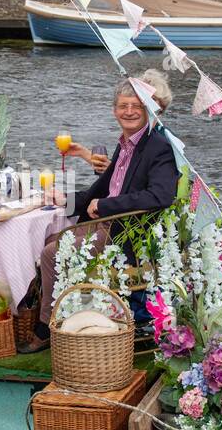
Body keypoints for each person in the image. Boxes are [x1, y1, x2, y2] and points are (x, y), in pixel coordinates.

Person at [19, 80, 181, 353]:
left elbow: (160, 196)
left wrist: (105, 206)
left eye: (136, 106)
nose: (129, 112)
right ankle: (61, 315)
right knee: (46, 237)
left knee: (51, 252)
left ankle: (46, 327)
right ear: (114, 110)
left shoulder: (158, 146)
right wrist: (64, 200)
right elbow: (99, 189)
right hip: (107, 223)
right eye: (122, 106)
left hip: (130, 231)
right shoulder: (126, 145)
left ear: (148, 110)